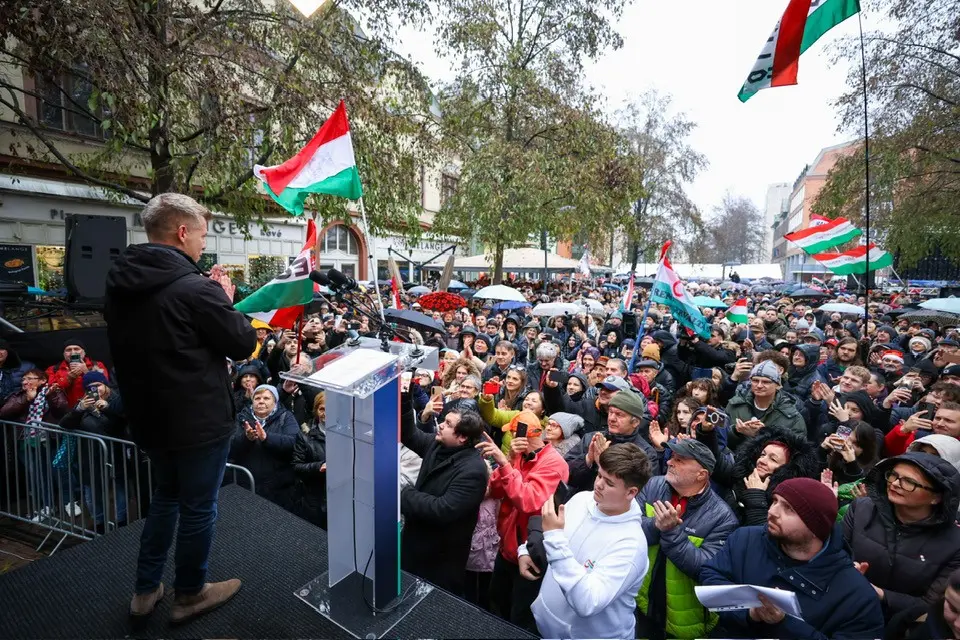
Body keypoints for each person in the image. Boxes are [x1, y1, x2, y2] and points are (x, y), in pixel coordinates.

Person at [105, 193, 257, 624]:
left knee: (165, 498)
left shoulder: (118, 283)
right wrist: (224, 299)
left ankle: (145, 589)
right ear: (183, 231)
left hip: (149, 418)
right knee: (198, 507)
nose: (204, 244)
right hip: (198, 421)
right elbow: (243, 342)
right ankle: (190, 593)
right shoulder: (196, 289)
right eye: (203, 235)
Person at [700, 477, 885, 639]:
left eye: (788, 508)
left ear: (815, 526)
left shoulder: (856, 594)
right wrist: (749, 612)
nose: (772, 511)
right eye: (775, 501)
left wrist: (785, 623)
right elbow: (711, 576)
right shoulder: (745, 539)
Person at [519, 443, 652, 639]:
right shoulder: (582, 499)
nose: (598, 484)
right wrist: (526, 550)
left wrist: (554, 538)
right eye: (599, 475)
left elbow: (588, 603)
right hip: (543, 627)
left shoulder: (631, 545)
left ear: (631, 492)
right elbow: (555, 533)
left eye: (609, 483)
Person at [635, 439, 738, 640]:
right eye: (672, 457)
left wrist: (671, 532)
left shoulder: (722, 518)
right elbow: (629, 528)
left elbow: (705, 570)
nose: (669, 462)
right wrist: (656, 525)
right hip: (642, 602)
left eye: (680, 460)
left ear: (701, 474)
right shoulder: (653, 485)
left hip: (686, 619)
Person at [842, 452, 960, 623]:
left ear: (936, 497)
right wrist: (846, 569)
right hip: (846, 604)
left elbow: (932, 605)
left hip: (900, 625)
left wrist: (880, 594)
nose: (895, 484)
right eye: (893, 475)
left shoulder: (955, 544)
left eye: (909, 482)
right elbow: (836, 552)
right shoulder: (861, 509)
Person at [477, 415, 568, 633]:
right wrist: (508, 460)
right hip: (506, 548)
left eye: (513, 432)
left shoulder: (554, 464)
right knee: (496, 603)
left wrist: (504, 464)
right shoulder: (519, 456)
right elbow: (496, 490)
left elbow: (528, 501)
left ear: (527, 435)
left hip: (529, 553)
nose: (510, 436)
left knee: (520, 618)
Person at [399, 393, 488, 596]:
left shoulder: (473, 471)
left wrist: (403, 493)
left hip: (439, 559)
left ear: (462, 437)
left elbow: (443, 509)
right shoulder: (438, 444)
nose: (440, 425)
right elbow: (409, 434)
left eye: (448, 424)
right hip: (415, 544)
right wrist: (404, 396)